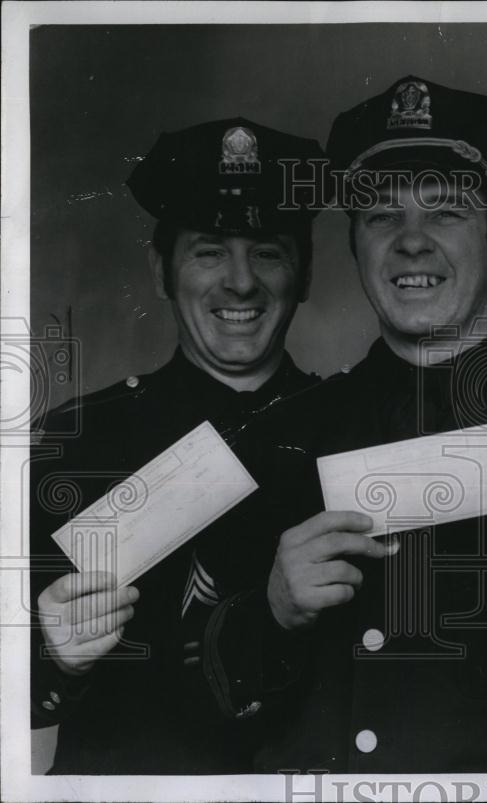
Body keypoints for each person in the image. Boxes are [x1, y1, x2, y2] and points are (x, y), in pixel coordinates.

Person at [200, 76, 487, 773]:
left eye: (444, 213)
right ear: (353, 245)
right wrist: (273, 611)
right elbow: (190, 698)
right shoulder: (275, 439)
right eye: (380, 215)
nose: (410, 242)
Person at [30, 117, 325, 773]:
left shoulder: (350, 429)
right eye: (210, 250)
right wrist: (49, 650)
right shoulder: (83, 437)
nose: (240, 282)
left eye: (269, 250)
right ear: (161, 270)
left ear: (305, 273)